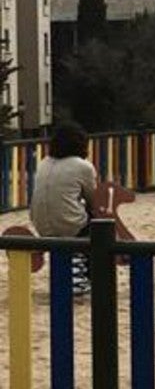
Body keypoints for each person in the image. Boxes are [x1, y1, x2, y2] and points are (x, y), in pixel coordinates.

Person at [30, 123, 98, 295]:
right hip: (69, 225)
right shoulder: (83, 166)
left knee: (69, 213)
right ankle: (85, 273)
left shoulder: (44, 162)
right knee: (98, 229)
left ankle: (72, 266)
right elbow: (93, 200)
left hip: (41, 224)